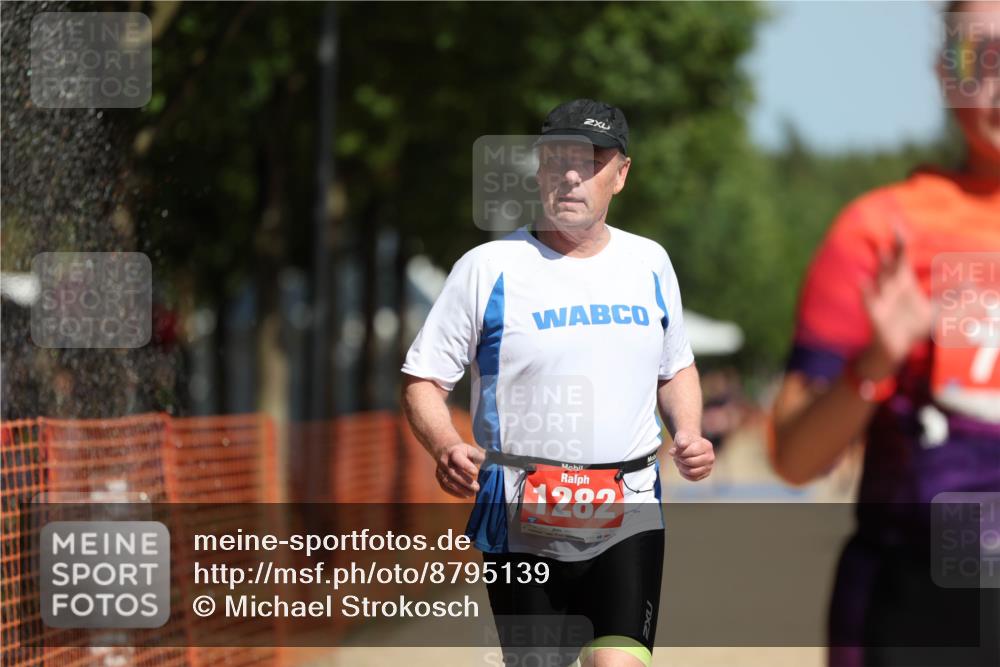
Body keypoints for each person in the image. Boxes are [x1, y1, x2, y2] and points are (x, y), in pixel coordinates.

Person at [401, 98, 714, 667]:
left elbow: (677, 367)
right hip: (521, 522)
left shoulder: (650, 263)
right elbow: (422, 380)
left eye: (591, 160)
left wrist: (688, 429)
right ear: (540, 170)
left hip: (629, 509)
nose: (572, 174)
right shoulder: (488, 267)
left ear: (620, 174)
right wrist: (446, 445)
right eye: (558, 159)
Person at [769, 3, 1000, 666]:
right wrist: (875, 362)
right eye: (979, 56)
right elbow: (794, 456)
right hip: (921, 612)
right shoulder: (881, 233)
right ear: (942, 73)